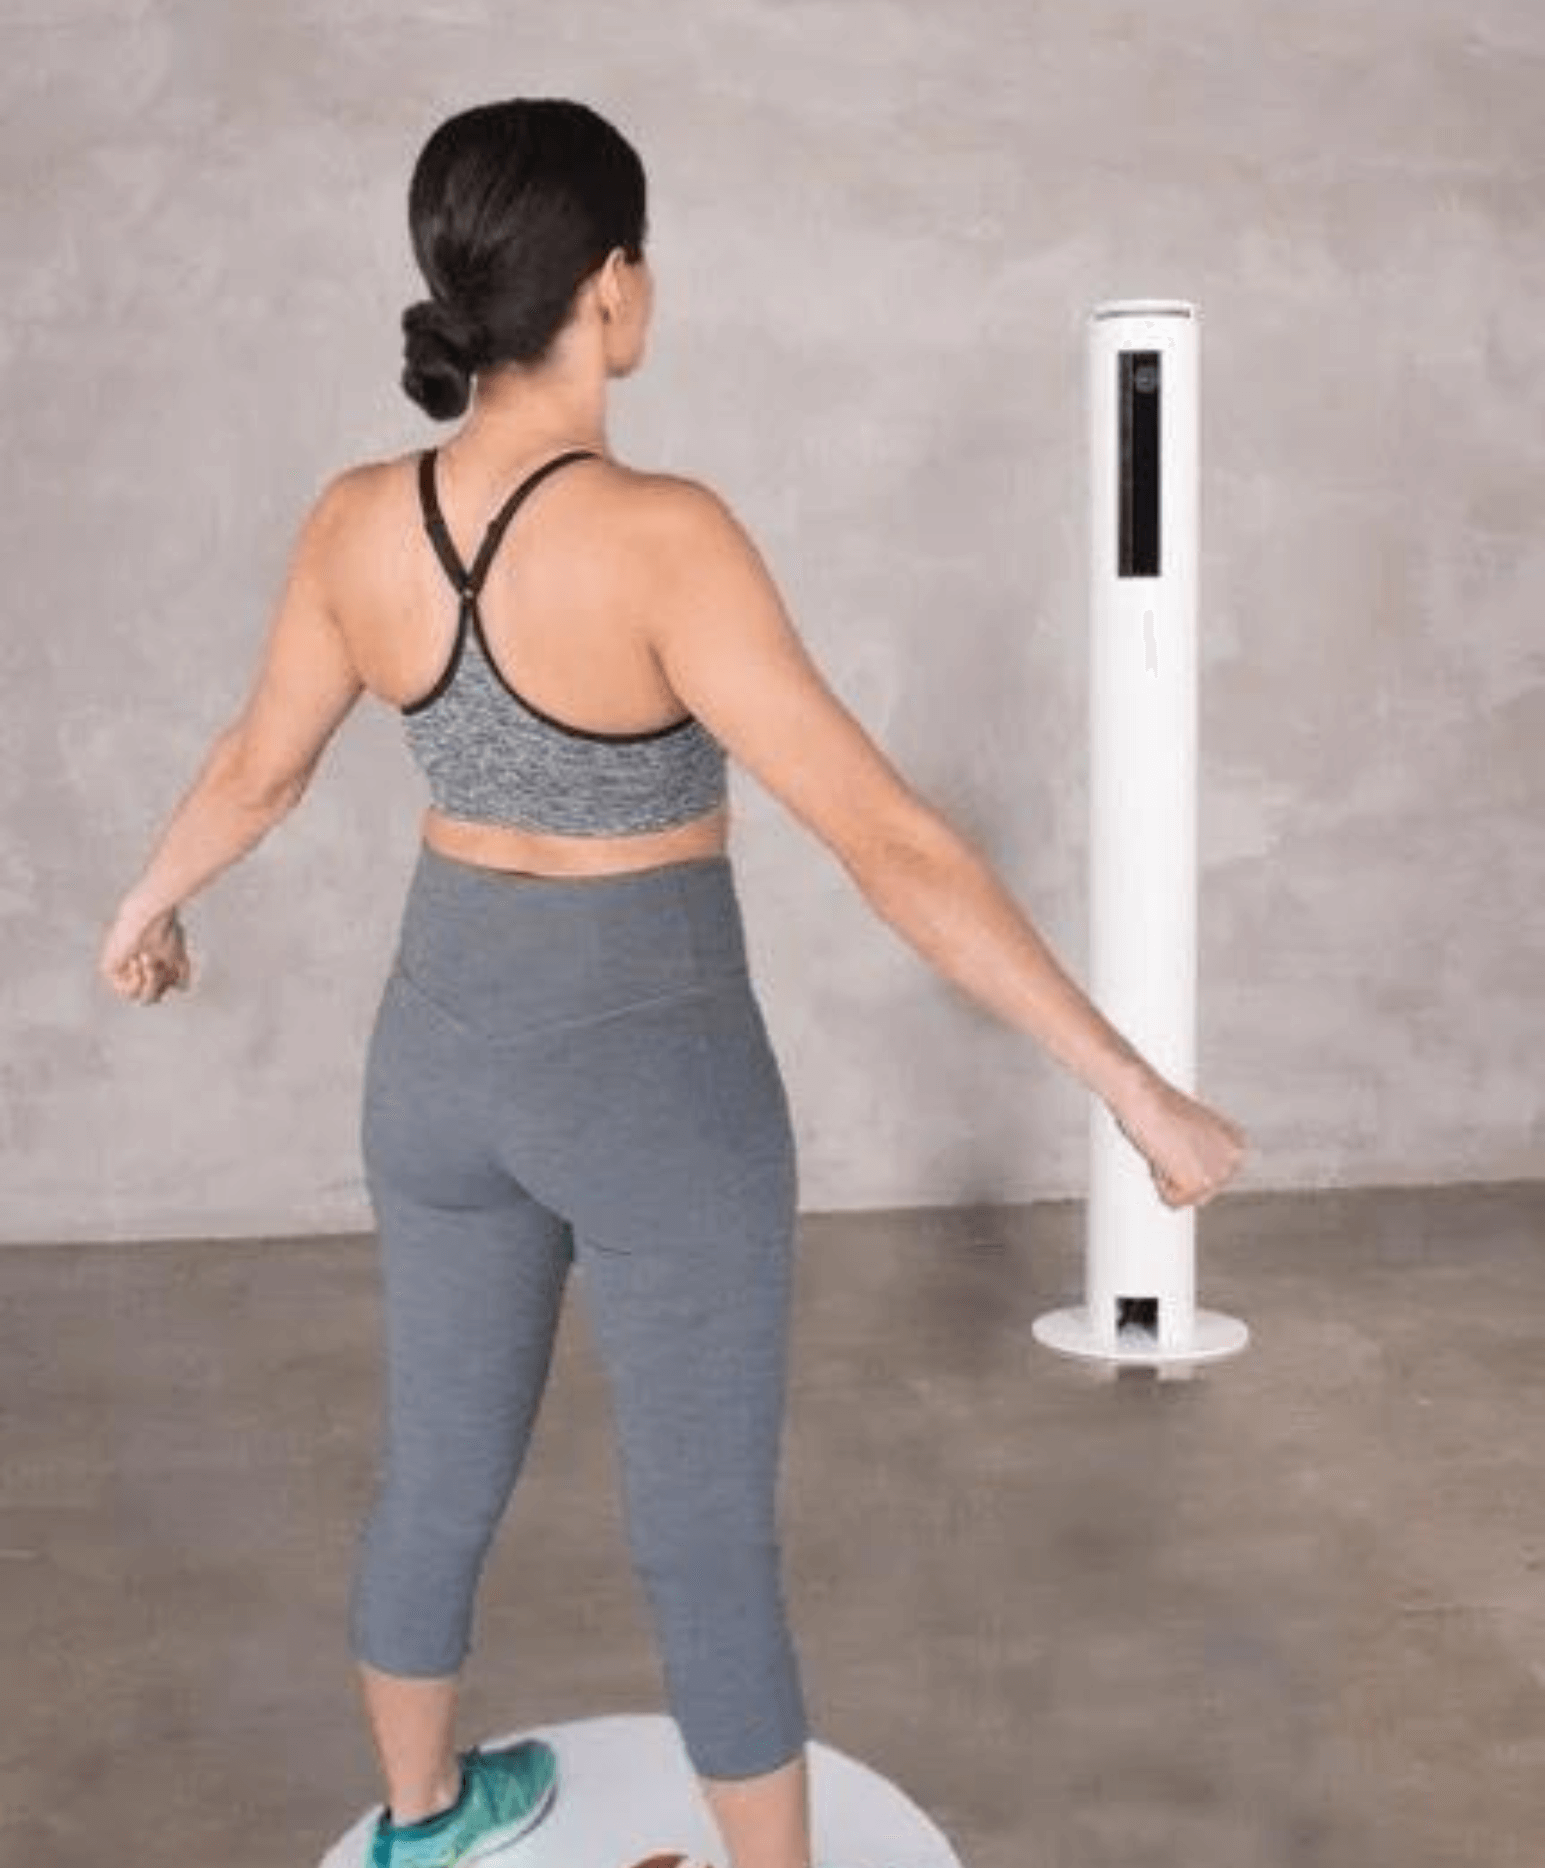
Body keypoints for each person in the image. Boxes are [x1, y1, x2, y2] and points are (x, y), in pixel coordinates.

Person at [98, 98, 1248, 1868]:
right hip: (656, 1083)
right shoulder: (663, 535)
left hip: (437, 1056)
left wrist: (145, 907)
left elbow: (259, 768)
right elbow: (888, 840)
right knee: (704, 1531)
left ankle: (421, 1817)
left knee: (437, 1472)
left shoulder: (354, 522)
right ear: (614, 285)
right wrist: (1131, 1084)